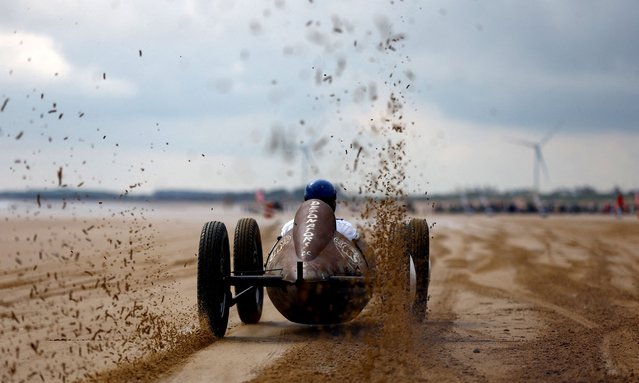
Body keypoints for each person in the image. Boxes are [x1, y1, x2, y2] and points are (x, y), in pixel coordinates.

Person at [280, 179, 359, 241]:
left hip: (298, 262)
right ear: (333, 203)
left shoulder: (289, 227)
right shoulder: (344, 228)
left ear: (306, 201)